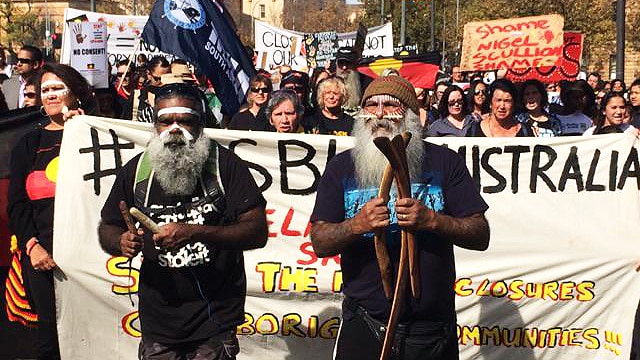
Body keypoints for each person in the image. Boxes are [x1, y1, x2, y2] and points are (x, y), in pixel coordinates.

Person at [310, 74, 490, 360]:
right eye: (371, 106)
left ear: (410, 115)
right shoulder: (341, 167)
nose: (379, 114)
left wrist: (433, 220)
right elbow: (320, 241)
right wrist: (357, 225)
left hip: (430, 331)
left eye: (390, 105)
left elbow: (480, 234)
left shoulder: (444, 162)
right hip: (365, 323)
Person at [98, 83, 268, 359]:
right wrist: (120, 241)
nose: (174, 129)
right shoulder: (137, 171)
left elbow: (257, 231)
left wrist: (196, 232)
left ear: (200, 124)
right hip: (159, 320)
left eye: (185, 121)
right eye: (165, 121)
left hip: (215, 317)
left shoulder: (225, 165)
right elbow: (107, 226)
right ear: (155, 125)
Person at [8, 63, 96, 360]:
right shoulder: (28, 143)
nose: (50, 95)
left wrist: (81, 132)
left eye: (58, 88)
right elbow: (17, 204)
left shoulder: (95, 134)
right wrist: (31, 246)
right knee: (50, 338)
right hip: (44, 257)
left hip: (89, 254)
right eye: (45, 90)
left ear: (75, 93)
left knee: (91, 333)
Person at [467, 79, 533, 137]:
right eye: (498, 100)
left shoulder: (525, 132)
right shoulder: (474, 130)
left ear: (514, 104)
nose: (502, 106)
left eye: (507, 101)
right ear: (490, 103)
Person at [2, 45, 42, 110]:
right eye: (17, 60)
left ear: (35, 64)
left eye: (23, 61)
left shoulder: (44, 85)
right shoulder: (7, 84)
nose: (19, 64)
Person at [136, 55, 171, 122]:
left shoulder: (174, 97)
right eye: (157, 79)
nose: (163, 82)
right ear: (149, 74)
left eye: (166, 78)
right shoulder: (139, 95)